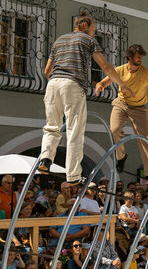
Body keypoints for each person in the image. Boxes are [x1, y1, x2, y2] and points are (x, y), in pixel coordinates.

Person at [38, 11, 133, 184]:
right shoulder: (88, 40)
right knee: (74, 131)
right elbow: (105, 65)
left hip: (52, 85)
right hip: (72, 84)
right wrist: (122, 85)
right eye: (93, 29)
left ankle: (45, 160)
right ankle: (73, 175)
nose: (94, 33)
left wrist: (58, 80)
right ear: (84, 26)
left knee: (52, 126)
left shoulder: (59, 40)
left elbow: (46, 71)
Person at [95, 44, 148, 180]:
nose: (140, 59)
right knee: (114, 130)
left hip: (139, 108)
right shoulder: (119, 70)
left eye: (141, 57)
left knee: (145, 139)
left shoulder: (147, 72)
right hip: (121, 104)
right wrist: (99, 86)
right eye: (138, 57)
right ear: (130, 57)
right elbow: (102, 83)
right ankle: (121, 157)